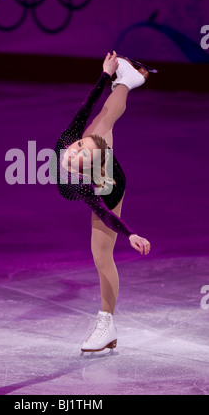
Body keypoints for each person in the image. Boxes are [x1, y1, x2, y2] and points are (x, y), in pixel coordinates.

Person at [50, 51, 151, 353]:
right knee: (101, 119)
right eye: (79, 146)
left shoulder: (85, 184)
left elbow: (104, 213)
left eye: (81, 156)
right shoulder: (69, 138)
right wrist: (106, 74)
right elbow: (87, 104)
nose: (73, 152)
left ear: (86, 168)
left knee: (101, 256)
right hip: (101, 155)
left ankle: (107, 323)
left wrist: (130, 233)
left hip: (111, 185)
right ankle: (127, 81)